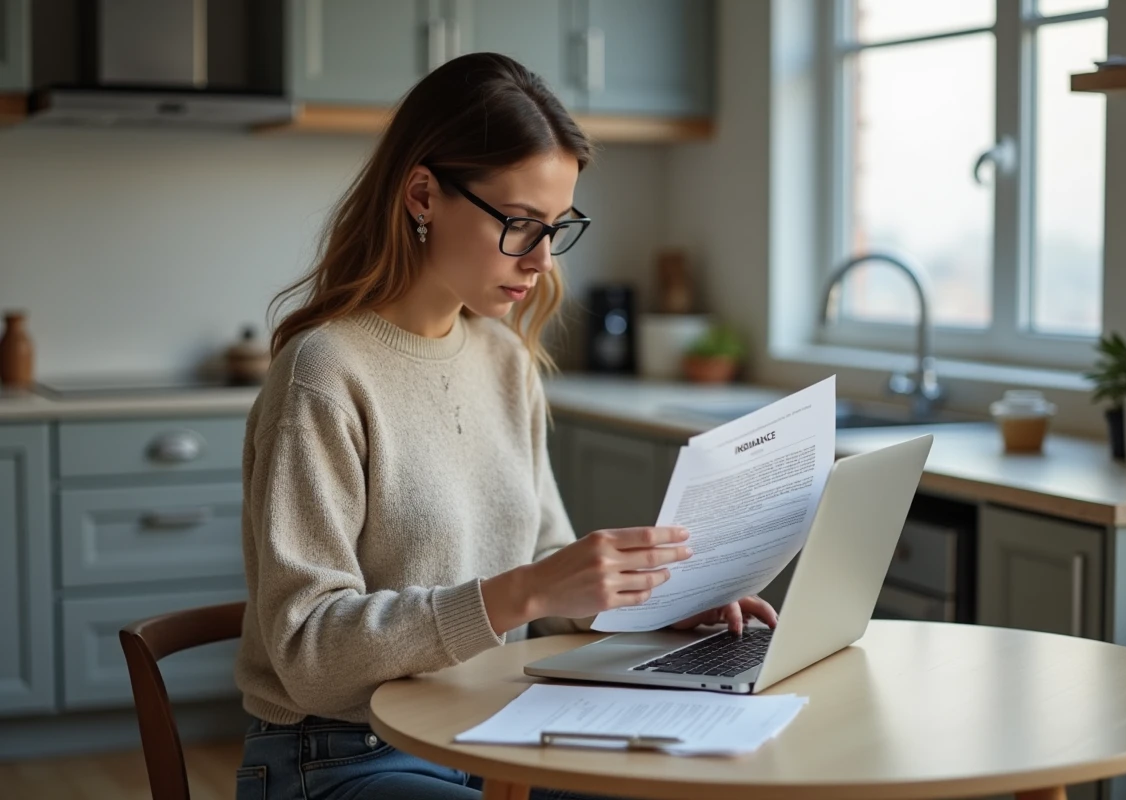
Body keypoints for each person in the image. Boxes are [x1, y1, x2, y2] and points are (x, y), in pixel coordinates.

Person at [233, 52, 777, 800]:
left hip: (492, 733)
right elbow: (308, 649)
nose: (543, 260)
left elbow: (548, 569)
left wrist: (659, 609)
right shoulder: (323, 373)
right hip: (340, 757)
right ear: (423, 194)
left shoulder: (504, 359)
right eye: (520, 225)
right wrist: (518, 594)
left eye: (557, 227)